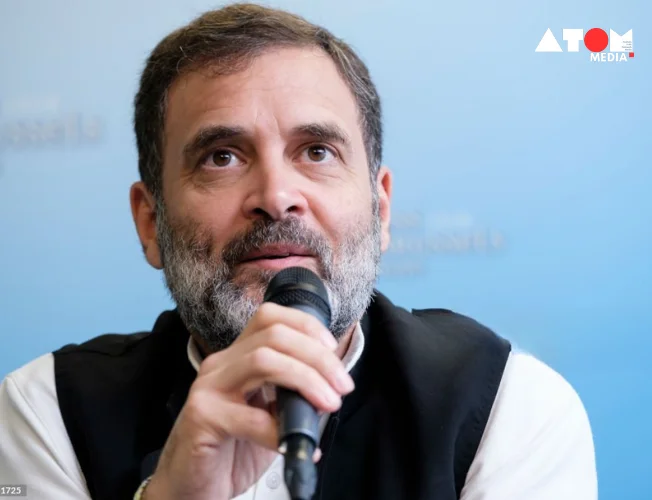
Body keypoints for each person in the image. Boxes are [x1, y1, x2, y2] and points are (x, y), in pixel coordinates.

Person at [0, 3, 597, 499]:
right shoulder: (47, 412)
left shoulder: (507, 407)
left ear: (380, 210)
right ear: (150, 222)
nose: (277, 196)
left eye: (316, 151)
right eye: (222, 156)